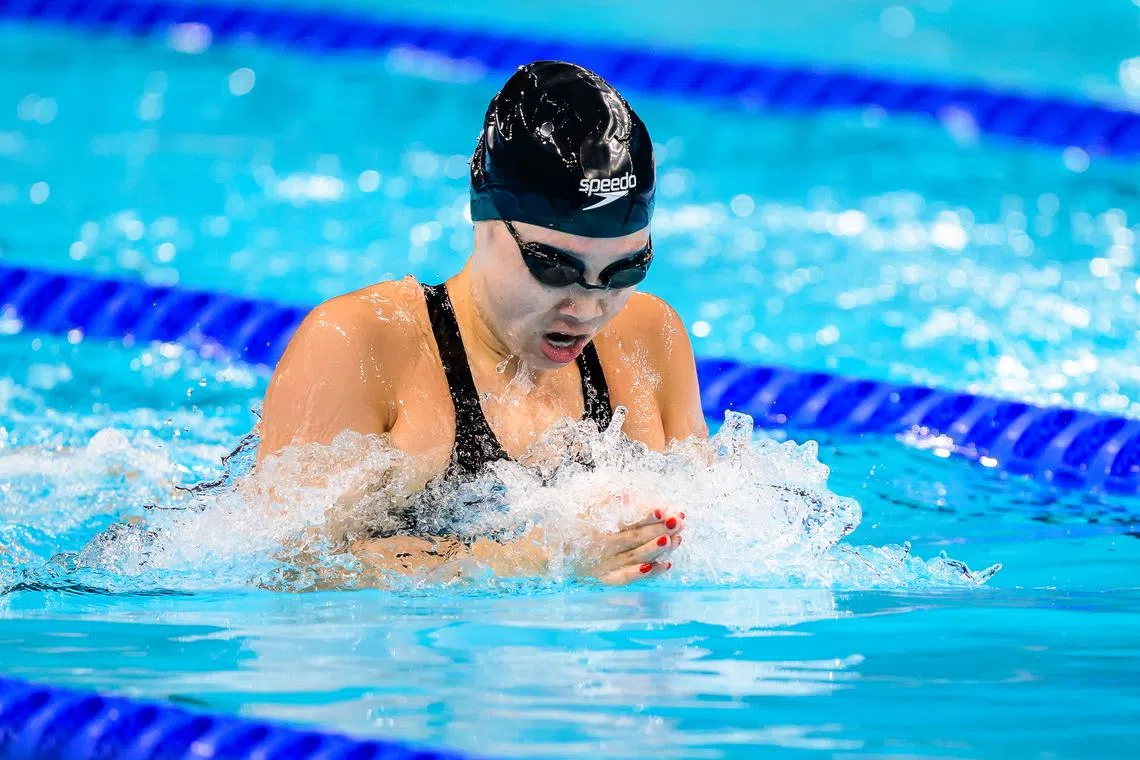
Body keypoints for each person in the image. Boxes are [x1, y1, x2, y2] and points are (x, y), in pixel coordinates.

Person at [256, 61, 707, 586]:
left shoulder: (649, 338)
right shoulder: (362, 344)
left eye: (624, 271)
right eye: (553, 268)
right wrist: (542, 561)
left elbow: (724, 522)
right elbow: (284, 566)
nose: (587, 308)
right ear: (483, 217)